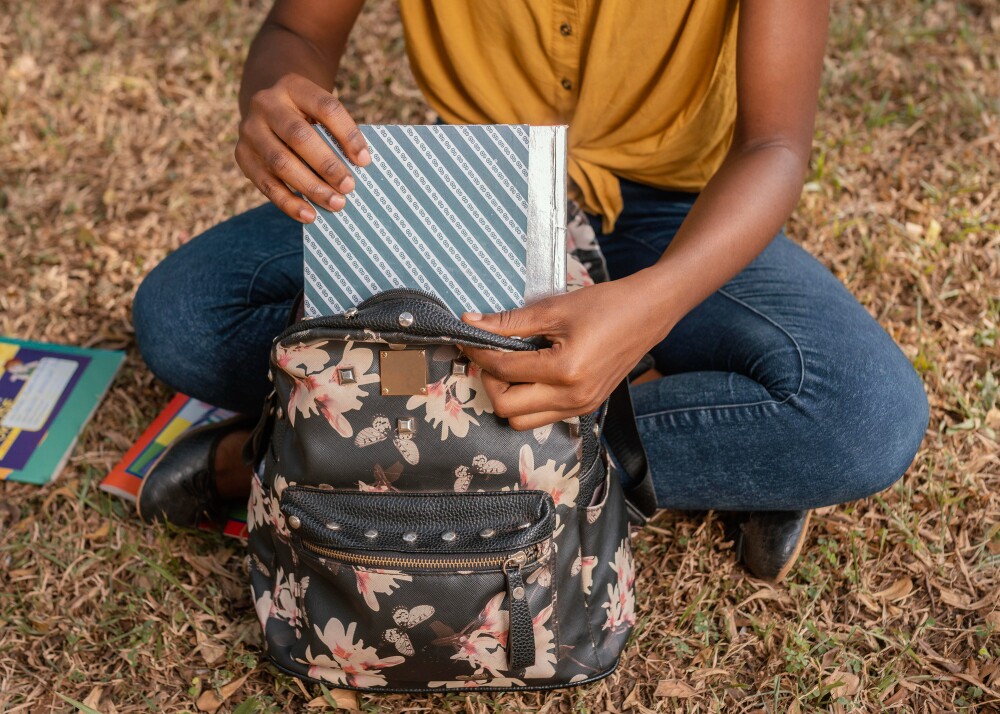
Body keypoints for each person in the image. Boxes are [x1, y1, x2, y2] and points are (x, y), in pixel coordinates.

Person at [132, 0, 929, 583]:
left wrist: (653, 300)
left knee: (861, 415)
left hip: (677, 209)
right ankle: (724, 453)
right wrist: (275, 104)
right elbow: (298, 30)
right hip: (470, 183)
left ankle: (314, 449)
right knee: (186, 316)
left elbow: (775, 144)